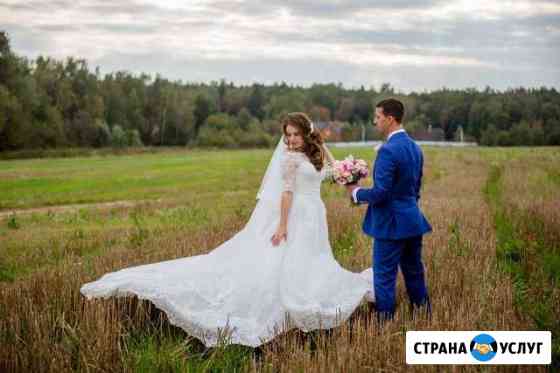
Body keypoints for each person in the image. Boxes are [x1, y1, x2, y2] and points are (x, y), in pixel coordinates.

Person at [81, 112, 374, 347]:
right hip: (296, 216)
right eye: (288, 135)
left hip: (314, 215)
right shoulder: (288, 159)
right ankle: (291, 310)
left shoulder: (316, 151)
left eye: (296, 134)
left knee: (314, 260)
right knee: (284, 263)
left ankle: (311, 301)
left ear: (306, 133)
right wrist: (282, 226)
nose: (292, 140)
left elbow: (332, 172)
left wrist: (350, 171)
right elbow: (286, 194)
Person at [345, 98, 432, 323]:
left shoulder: (388, 151)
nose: (375, 122)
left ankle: (384, 323)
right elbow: (415, 189)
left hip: (390, 224)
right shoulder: (415, 148)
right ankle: (424, 315)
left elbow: (382, 192)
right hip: (413, 220)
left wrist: (356, 192)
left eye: (378, 117)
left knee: (384, 277)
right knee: (414, 272)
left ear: (390, 119)